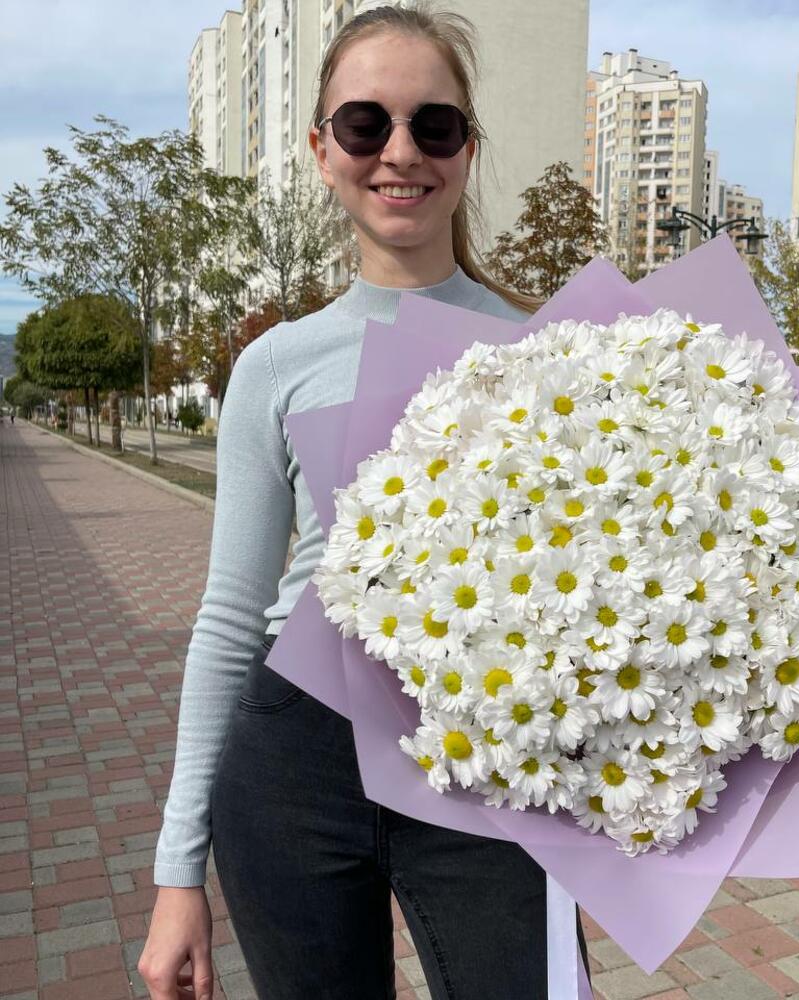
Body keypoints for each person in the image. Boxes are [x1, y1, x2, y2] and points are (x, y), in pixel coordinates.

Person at [139, 5, 591, 999]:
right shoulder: (274, 365)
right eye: (364, 123)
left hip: (485, 757)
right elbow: (229, 617)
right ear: (321, 148)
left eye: (434, 124)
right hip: (293, 763)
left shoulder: (552, 355)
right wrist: (178, 872)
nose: (400, 152)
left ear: (467, 147)